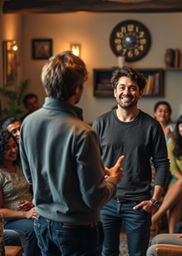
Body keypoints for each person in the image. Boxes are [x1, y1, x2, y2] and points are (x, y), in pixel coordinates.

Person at [19, 51, 124, 256]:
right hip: (76, 229)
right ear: (77, 90)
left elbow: (31, 176)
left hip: (42, 223)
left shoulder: (28, 123)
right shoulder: (82, 132)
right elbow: (94, 198)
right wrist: (113, 179)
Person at [92, 66, 169, 256]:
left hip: (138, 203)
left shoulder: (151, 126)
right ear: (115, 92)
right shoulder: (100, 123)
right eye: (122, 87)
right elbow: (90, 162)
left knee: (138, 253)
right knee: (106, 251)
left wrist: (155, 199)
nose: (127, 92)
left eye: (132, 88)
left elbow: (162, 163)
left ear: (141, 92)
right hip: (105, 200)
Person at [0, 129, 41, 256]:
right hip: (11, 218)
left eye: (14, 145)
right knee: (35, 229)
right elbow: (0, 211)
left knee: (50, 223)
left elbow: (34, 190)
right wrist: (25, 214)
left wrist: (32, 203)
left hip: (32, 211)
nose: (13, 150)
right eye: (7, 148)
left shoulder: (21, 166)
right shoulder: (1, 174)